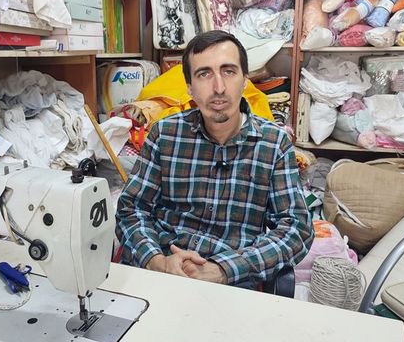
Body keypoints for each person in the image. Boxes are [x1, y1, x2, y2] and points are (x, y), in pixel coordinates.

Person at [116, 30, 313, 289]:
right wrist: (156, 261)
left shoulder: (273, 143)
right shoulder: (164, 134)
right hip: (163, 272)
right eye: (204, 74)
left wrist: (223, 269)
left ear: (245, 81)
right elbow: (132, 209)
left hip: (232, 283)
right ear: (189, 88)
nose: (218, 88)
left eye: (229, 71)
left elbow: (296, 229)